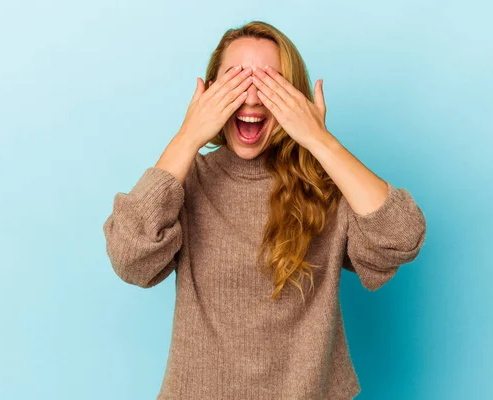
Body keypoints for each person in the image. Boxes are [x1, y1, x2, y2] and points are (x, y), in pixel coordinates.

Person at [103, 20, 426, 400]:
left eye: (270, 82)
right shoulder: (185, 182)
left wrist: (320, 140)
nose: (252, 98)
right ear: (208, 93)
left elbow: (401, 237)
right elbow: (129, 258)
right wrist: (188, 135)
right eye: (237, 80)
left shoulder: (324, 183)